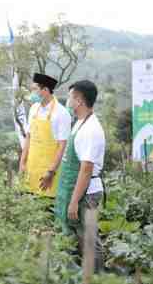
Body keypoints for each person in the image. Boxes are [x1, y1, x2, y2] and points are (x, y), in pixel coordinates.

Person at [55, 80, 105, 271]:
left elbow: (86, 169)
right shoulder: (80, 123)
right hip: (78, 191)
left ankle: (101, 278)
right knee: (79, 240)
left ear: (79, 101)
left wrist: (74, 201)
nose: (67, 101)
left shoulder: (91, 130)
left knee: (90, 242)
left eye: (70, 97)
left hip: (86, 194)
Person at [19, 73, 71, 197]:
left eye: (35, 89)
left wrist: (51, 172)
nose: (32, 93)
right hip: (31, 169)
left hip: (48, 172)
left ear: (46, 90)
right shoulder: (33, 109)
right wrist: (22, 163)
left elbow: (62, 145)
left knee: (46, 207)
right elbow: (29, 138)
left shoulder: (61, 113)